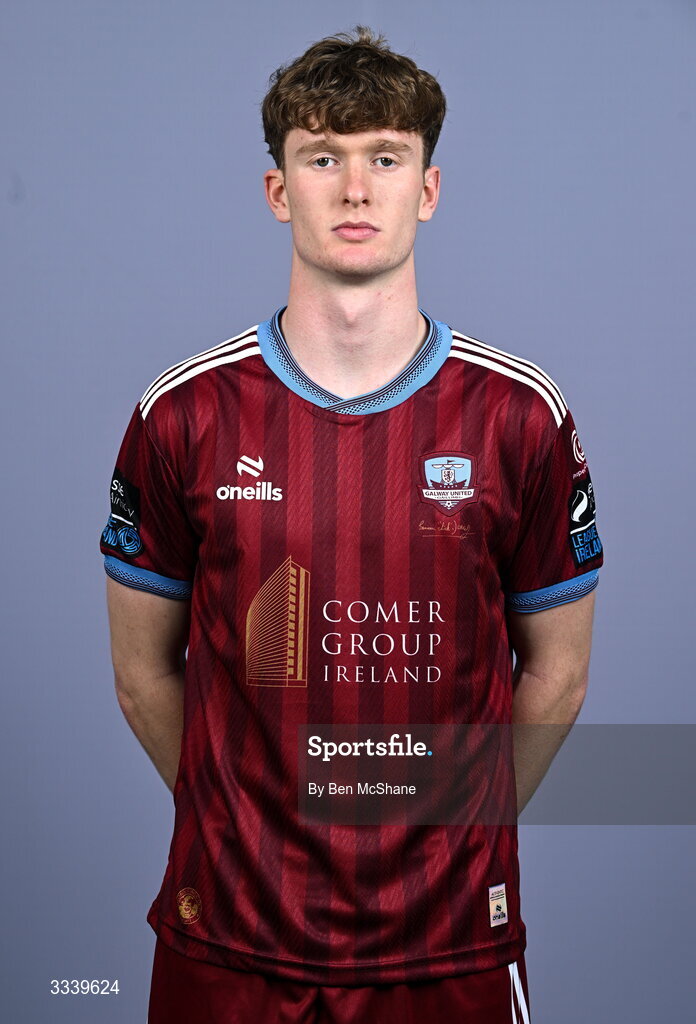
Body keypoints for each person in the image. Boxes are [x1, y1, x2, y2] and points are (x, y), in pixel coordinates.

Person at [100, 24, 603, 1024]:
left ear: (428, 189)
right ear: (280, 191)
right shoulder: (185, 414)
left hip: (448, 946)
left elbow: (559, 668)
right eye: (323, 158)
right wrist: (239, 820)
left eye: (385, 157)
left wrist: (457, 827)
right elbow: (140, 671)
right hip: (230, 944)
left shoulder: (518, 415)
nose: (356, 189)